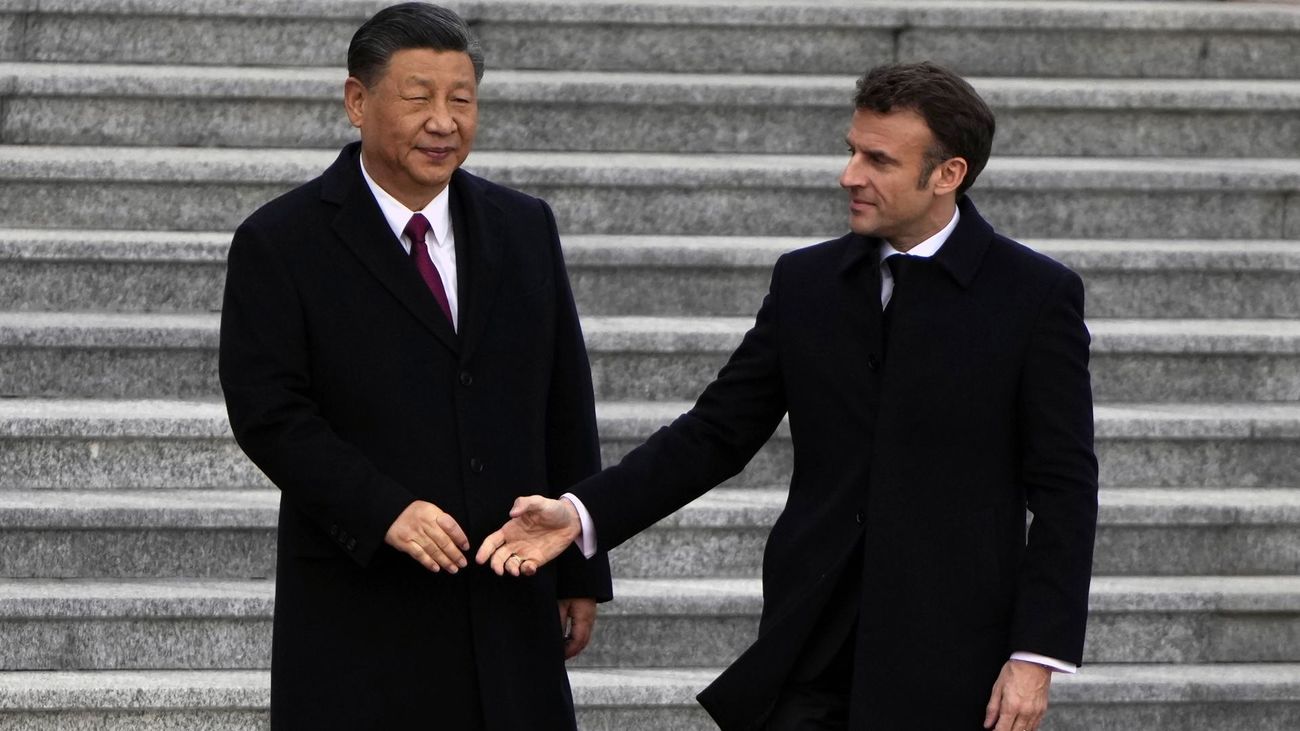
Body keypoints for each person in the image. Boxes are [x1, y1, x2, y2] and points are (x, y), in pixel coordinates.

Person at [478, 62, 1098, 731]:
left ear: (948, 173)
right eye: (851, 150)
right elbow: (716, 431)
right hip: (808, 642)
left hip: (952, 653)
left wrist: (1035, 654)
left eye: (878, 159)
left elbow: (1064, 485)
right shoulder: (808, 282)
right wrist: (581, 513)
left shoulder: (1035, 297)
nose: (849, 175)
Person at [218, 4, 611, 728]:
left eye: (461, 99)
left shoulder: (524, 226)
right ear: (357, 101)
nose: (444, 121)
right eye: (418, 96)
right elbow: (269, 413)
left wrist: (580, 567)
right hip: (363, 600)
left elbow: (564, 397)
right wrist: (382, 508)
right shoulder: (282, 241)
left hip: (508, 588)